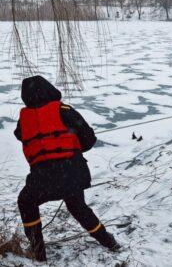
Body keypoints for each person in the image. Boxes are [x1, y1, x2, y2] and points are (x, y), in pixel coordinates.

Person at [14, 76, 119, 262]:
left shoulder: (24, 120)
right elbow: (89, 139)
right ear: (50, 89)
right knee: (78, 206)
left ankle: (38, 253)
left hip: (43, 178)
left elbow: (21, 136)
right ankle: (109, 242)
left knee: (26, 202)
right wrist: (70, 147)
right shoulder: (64, 110)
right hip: (73, 174)